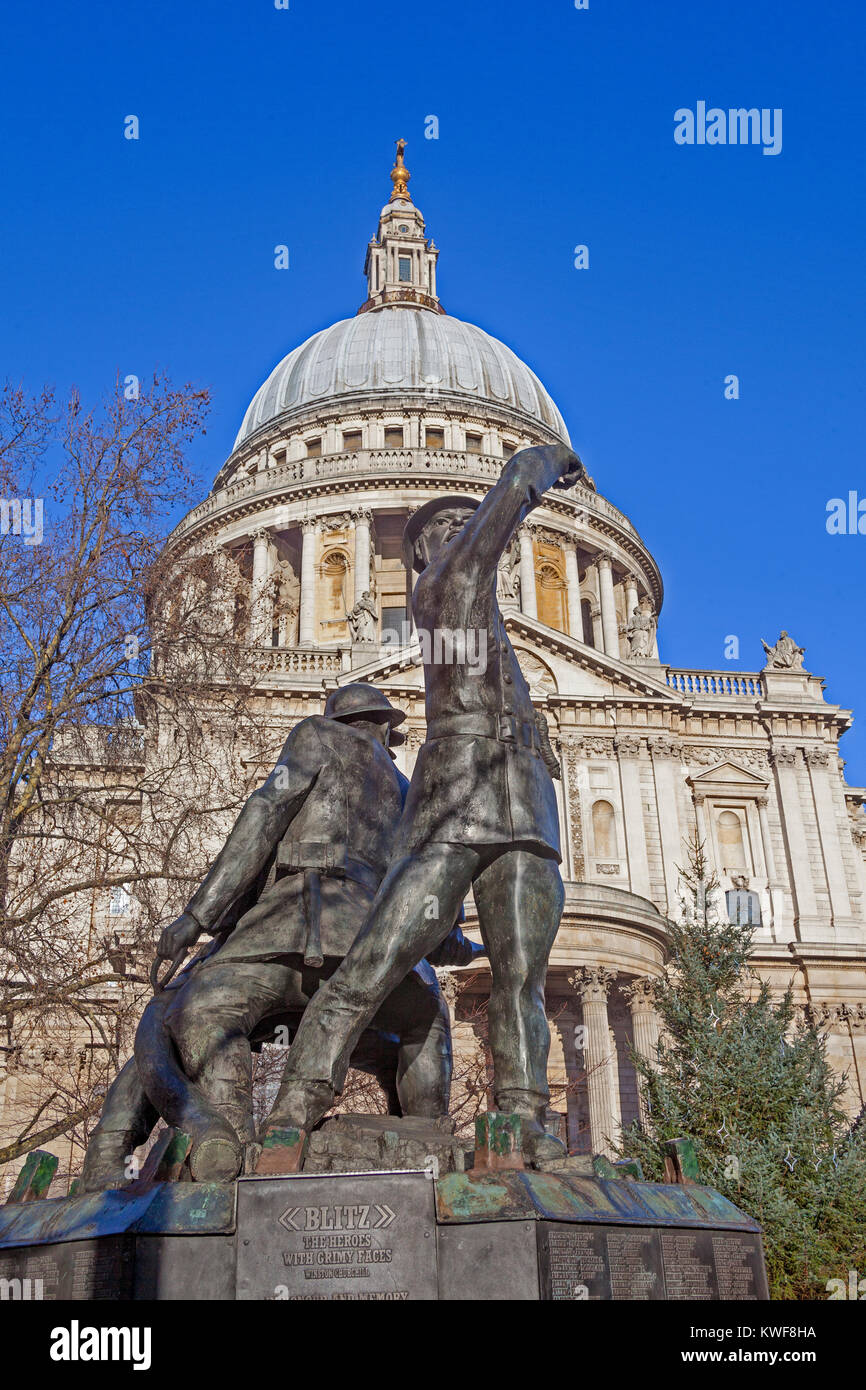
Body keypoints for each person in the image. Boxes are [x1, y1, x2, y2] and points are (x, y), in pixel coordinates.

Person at [264, 443, 583, 1164]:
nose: (460, 532)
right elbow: (491, 526)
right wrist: (530, 469)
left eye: (467, 523)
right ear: (414, 556)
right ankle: (295, 1106)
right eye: (443, 526)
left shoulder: (502, 641)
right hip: (453, 802)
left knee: (522, 982)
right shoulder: (443, 591)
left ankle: (523, 1119)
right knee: (376, 958)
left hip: (524, 810)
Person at [115, 683, 476, 1184]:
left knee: (204, 1011)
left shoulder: (317, 735)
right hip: (380, 953)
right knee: (424, 1025)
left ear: (339, 720)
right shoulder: (411, 791)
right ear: (382, 728)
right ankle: (427, 1152)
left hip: (297, 928)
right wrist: (455, 944)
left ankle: (229, 1144)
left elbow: (265, 812)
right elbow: (437, 888)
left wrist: (197, 916)